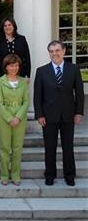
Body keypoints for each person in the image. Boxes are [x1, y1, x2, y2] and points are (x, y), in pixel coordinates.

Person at [34, 40, 84, 186]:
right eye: (51, 51)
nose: (54, 53)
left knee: (68, 147)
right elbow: (37, 96)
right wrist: (39, 115)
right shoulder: (41, 71)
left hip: (68, 115)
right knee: (50, 147)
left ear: (64, 51)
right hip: (48, 116)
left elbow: (79, 93)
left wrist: (78, 112)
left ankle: (70, 175)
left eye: (57, 50)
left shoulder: (73, 69)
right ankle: (50, 175)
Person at [0, 54, 29, 186]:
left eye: (16, 65)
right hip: (4, 118)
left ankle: (15, 174)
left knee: (17, 147)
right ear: (6, 67)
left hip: (20, 118)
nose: (13, 68)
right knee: (4, 148)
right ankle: (4, 174)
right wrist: (9, 118)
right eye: (11, 65)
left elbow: (26, 101)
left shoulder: (23, 82)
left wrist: (18, 117)